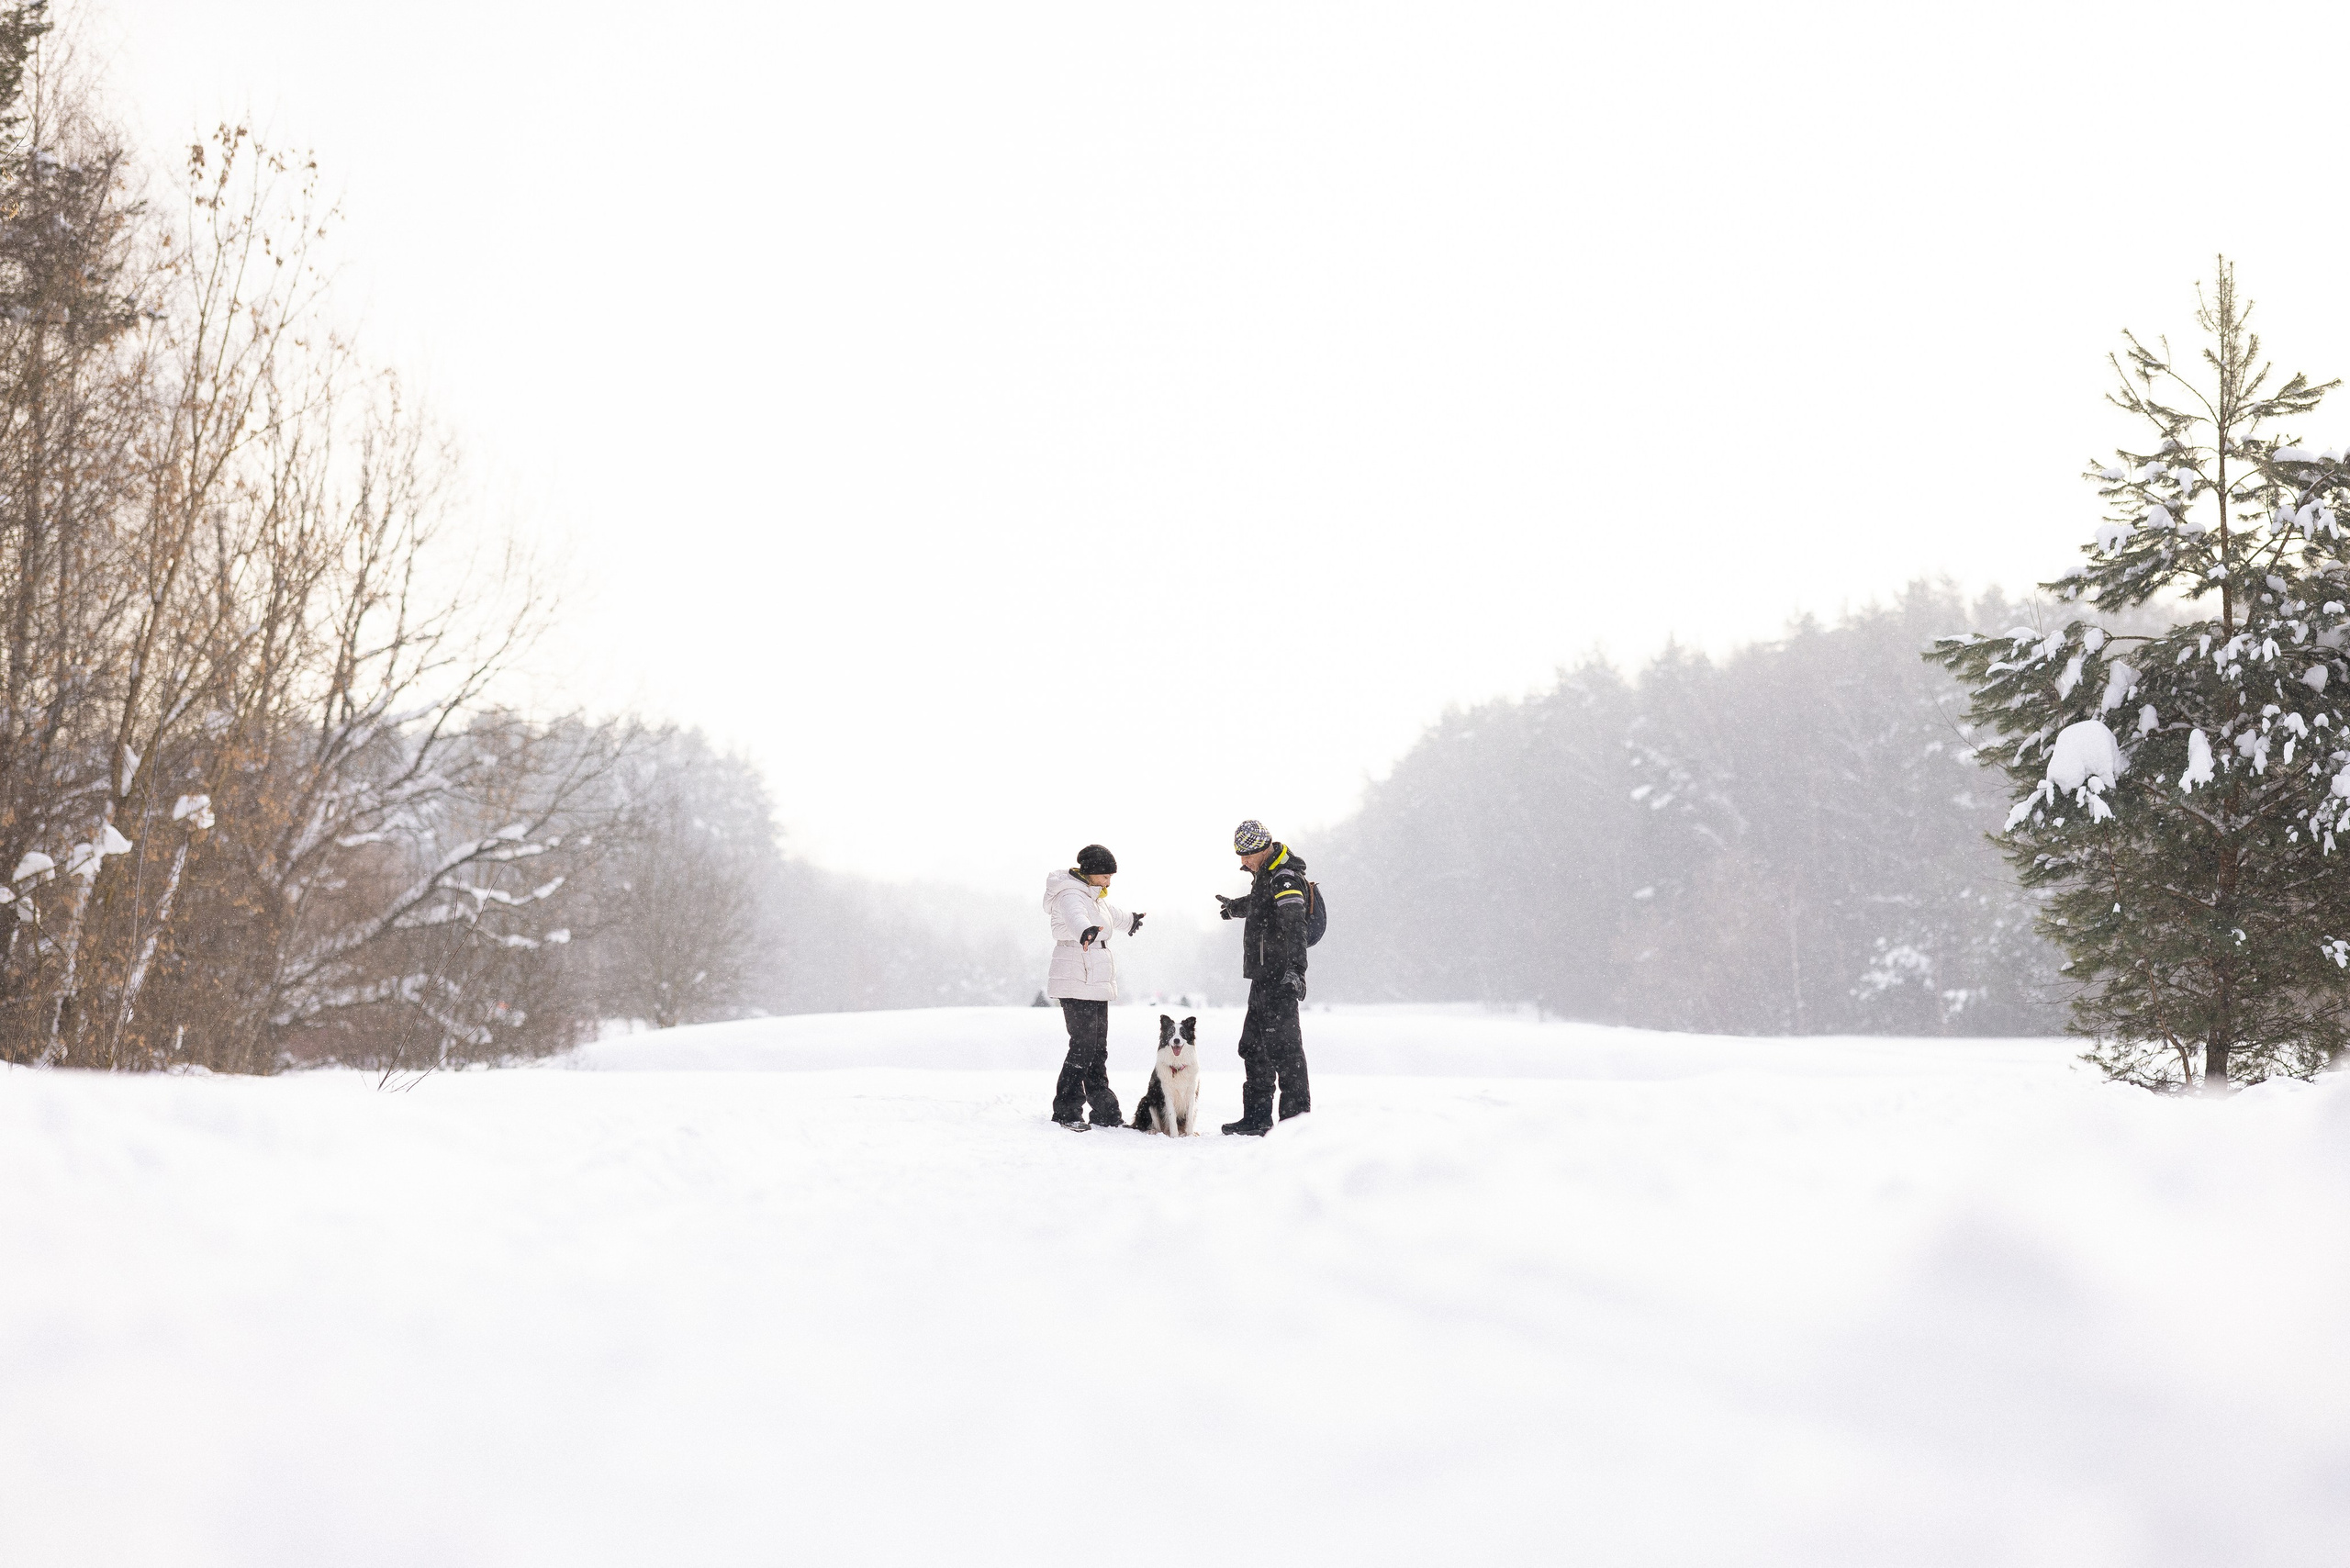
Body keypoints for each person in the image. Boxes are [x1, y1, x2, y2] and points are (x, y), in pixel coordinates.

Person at [1214, 820, 1310, 1135]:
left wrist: (1297, 970)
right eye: (1239, 854)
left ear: (1263, 848)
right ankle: (1256, 1118)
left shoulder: (1284, 877)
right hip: (1262, 977)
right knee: (1253, 1047)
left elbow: (1296, 924)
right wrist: (1233, 908)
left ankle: (1296, 1124)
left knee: (1285, 1051)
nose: (1242, 861)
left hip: (1280, 978)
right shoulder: (1267, 874)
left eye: (1246, 855)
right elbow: (1261, 906)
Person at [1042, 844, 1146, 1130]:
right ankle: (1066, 1110)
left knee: (1098, 1048)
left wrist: (1131, 920)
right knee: (1083, 1046)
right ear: (1088, 873)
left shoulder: (1093, 895)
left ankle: (1105, 1112)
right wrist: (1084, 931)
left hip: (1094, 978)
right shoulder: (1070, 893)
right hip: (1075, 976)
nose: (1108, 881)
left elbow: (1109, 915)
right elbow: (1078, 917)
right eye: (1104, 875)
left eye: (1111, 876)